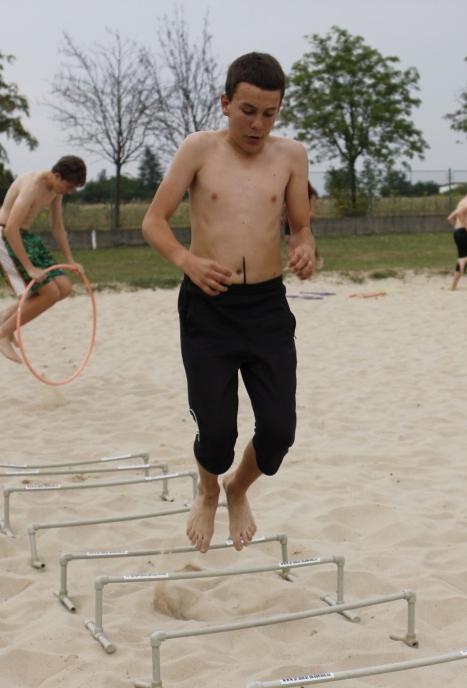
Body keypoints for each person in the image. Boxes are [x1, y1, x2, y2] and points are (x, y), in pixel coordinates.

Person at [141, 52, 315, 554]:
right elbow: (154, 220)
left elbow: (299, 225)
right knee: (216, 436)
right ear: (225, 102)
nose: (258, 124)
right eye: (247, 110)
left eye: (269, 113)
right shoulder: (199, 149)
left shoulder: (291, 156)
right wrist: (187, 261)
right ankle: (209, 488)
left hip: (266, 305)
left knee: (279, 432)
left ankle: (238, 487)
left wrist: (304, 248)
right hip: (209, 306)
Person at [0, 156, 87, 362]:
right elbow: (11, 228)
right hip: (4, 235)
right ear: (57, 175)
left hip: (25, 236)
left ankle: (5, 316)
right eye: (69, 186)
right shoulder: (33, 184)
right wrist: (29, 267)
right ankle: (1, 335)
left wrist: (70, 260)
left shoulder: (56, 190)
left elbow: (57, 227)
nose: (69, 192)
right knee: (49, 293)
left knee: (64, 287)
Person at [284, 182, 322, 270]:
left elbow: (312, 196)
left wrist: (312, 211)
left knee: (306, 239)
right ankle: (291, 262)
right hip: (289, 217)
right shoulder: (283, 181)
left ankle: (318, 258)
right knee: (288, 239)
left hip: (301, 215)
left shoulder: (301, 180)